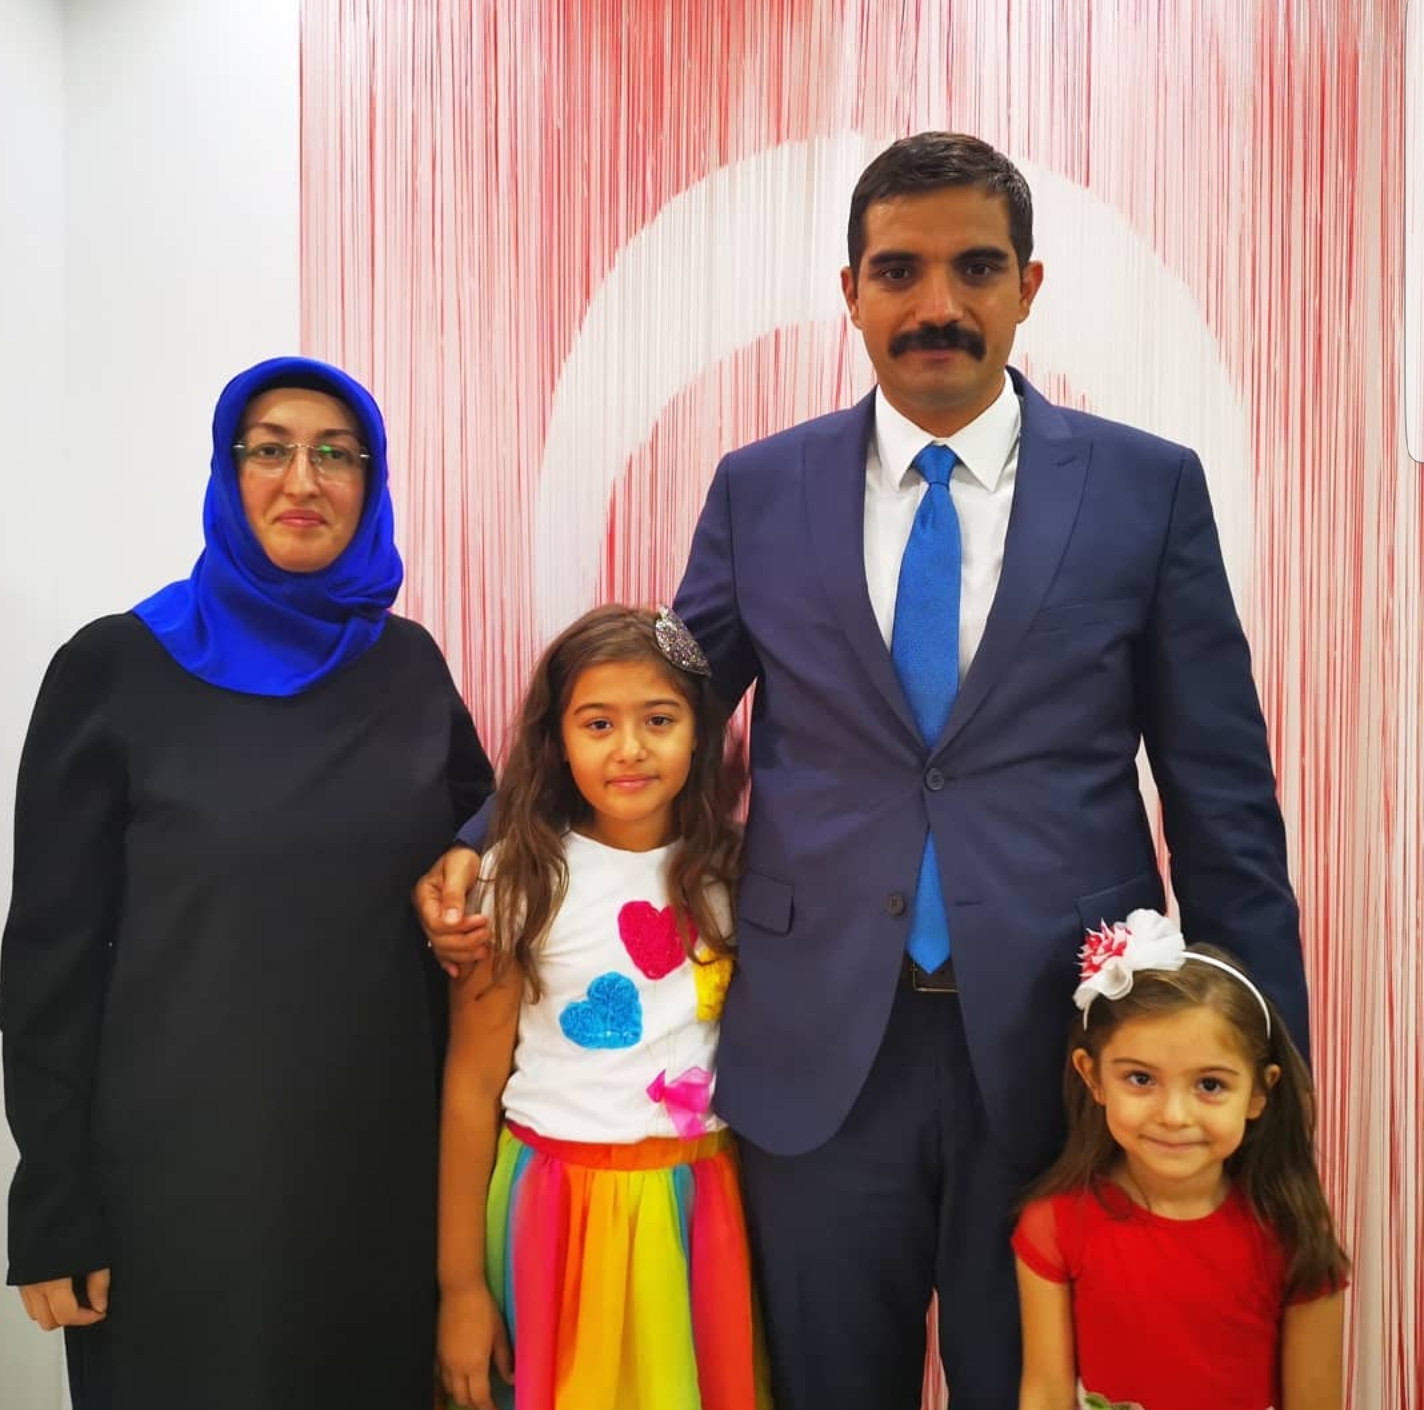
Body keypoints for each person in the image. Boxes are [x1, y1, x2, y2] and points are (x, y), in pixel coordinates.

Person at [417, 132, 1311, 1410]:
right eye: (899, 271)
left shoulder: (1145, 488)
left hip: (1065, 1051)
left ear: (1028, 286)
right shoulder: (761, 489)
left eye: (975, 268)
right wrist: (485, 839)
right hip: (816, 1044)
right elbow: (659, 700)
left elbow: (1223, 798)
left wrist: (1275, 1093)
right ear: (852, 291)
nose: (937, 304)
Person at [0, 356, 494, 1410]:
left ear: (371, 483)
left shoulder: (408, 668)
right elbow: (47, 967)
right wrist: (52, 1204)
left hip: (377, 1181)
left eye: (337, 455)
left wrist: (467, 876)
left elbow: (485, 835)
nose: (303, 480)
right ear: (228, 474)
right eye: (270, 450)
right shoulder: (114, 669)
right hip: (177, 1198)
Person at [434, 604, 768, 1410]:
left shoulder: (737, 874)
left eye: (659, 719)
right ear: (556, 741)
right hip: (554, 1212)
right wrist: (460, 1288)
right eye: (597, 724)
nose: (630, 749)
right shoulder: (517, 881)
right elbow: (471, 1088)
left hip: (700, 1208)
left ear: (700, 732)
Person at [1013, 910, 1347, 1410]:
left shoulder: (1295, 1234)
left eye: (1210, 1084)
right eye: (1141, 1079)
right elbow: (1045, 1393)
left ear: (1260, 1092)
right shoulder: (1055, 1226)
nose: (1173, 1116)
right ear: (1093, 1076)